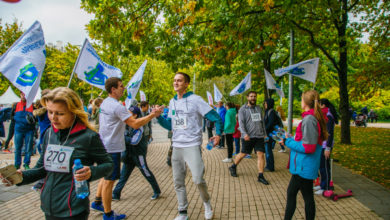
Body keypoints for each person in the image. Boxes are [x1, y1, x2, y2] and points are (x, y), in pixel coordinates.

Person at [1, 87, 114, 220]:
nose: (53, 118)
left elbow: (109, 165)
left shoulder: (89, 137)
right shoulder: (49, 133)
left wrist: (91, 172)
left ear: (73, 112)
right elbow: (42, 169)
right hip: (49, 206)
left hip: (73, 210)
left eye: (60, 113)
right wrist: (20, 177)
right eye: (50, 112)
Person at [90, 77, 162, 220]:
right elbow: (135, 124)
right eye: (121, 86)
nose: (124, 88)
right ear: (113, 89)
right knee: (110, 180)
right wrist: (152, 115)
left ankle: (98, 202)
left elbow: (123, 117)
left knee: (105, 177)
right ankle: (108, 214)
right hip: (112, 148)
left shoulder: (106, 103)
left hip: (105, 145)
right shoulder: (116, 106)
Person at [157, 72, 223, 220]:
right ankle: (182, 212)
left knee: (198, 179)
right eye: (174, 80)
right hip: (177, 146)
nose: (176, 83)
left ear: (186, 84)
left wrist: (218, 134)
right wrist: (158, 117)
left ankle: (207, 203)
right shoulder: (172, 102)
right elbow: (170, 125)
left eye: (179, 81)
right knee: (178, 181)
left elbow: (216, 117)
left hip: (192, 145)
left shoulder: (196, 100)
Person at [280, 90, 328, 220]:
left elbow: (309, 147)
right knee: (306, 196)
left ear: (306, 102)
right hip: (305, 165)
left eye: (301, 99)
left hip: (304, 166)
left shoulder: (309, 119)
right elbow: (307, 140)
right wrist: (293, 138)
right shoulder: (312, 117)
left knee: (293, 194)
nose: (300, 102)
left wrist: (287, 141)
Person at [112, 106, 161, 201]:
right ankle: (116, 194)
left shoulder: (139, 126)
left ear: (135, 115)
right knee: (123, 175)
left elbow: (135, 141)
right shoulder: (125, 124)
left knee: (146, 172)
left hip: (138, 154)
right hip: (128, 154)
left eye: (129, 113)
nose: (126, 114)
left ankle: (157, 190)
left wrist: (122, 138)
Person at [228, 91, 269, 185]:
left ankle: (261, 176)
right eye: (251, 96)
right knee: (243, 153)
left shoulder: (259, 108)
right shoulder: (243, 109)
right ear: (247, 97)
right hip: (248, 136)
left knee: (261, 155)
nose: (253, 98)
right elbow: (241, 123)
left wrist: (265, 134)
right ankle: (233, 166)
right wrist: (244, 134)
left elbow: (262, 122)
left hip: (259, 136)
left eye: (255, 96)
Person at [315, 98, 339, 195]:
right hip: (323, 144)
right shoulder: (325, 114)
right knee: (321, 166)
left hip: (326, 145)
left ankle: (326, 187)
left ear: (323, 105)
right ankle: (322, 184)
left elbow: (330, 133)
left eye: (319, 104)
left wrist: (328, 148)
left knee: (325, 166)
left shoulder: (328, 115)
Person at [13, 92, 35, 170]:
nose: (23, 96)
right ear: (20, 95)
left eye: (25, 95)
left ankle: (26, 164)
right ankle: (17, 164)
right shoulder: (16, 105)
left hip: (29, 130)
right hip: (18, 130)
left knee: (28, 149)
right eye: (22, 94)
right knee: (18, 148)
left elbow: (36, 119)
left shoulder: (32, 105)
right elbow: (12, 119)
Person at [264, 98, 278, 172]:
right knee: (267, 150)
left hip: (269, 134)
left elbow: (270, 123)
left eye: (266, 103)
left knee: (268, 150)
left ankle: (270, 167)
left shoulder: (271, 112)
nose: (265, 105)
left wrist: (264, 129)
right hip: (268, 133)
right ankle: (269, 165)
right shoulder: (268, 111)